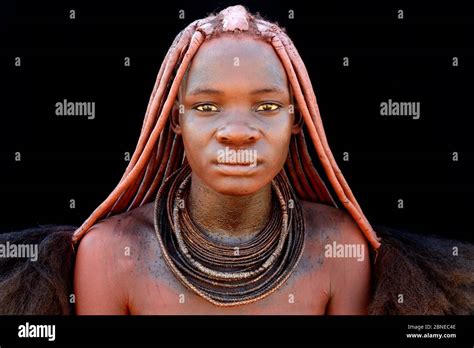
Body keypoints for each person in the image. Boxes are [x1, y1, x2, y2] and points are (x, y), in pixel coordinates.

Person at [0, 5, 472, 315]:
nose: (238, 131)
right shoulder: (109, 255)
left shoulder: (338, 252)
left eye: (267, 107)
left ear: (296, 119)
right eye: (207, 107)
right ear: (175, 119)